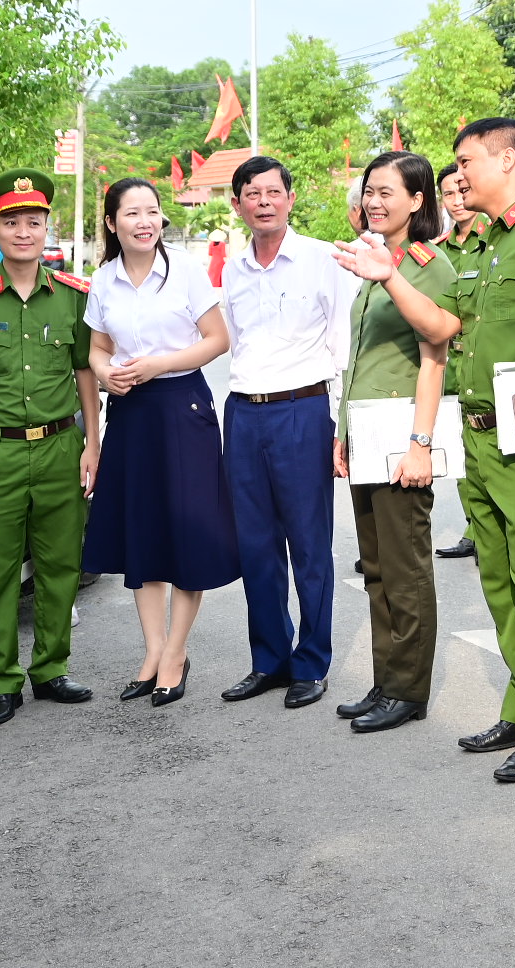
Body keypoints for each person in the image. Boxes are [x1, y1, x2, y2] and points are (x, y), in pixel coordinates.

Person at [336, 117, 515, 784]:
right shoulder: (478, 245)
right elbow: (442, 328)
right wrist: (388, 276)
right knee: (503, 585)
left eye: (467, 162)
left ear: (509, 162)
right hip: (480, 437)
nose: (457, 175)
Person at [0, 171, 101, 727]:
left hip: (61, 447)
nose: (24, 232)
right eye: (12, 222)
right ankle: (1, 680)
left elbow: (85, 375)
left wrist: (92, 446)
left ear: (45, 228)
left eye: (33, 222)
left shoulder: (74, 298)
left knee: (61, 565)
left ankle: (51, 669)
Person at [81, 178, 237, 708]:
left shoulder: (187, 273)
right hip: (131, 412)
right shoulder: (102, 281)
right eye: (132, 213)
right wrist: (107, 374)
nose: (145, 221)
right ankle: (151, 653)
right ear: (111, 223)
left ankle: (176, 652)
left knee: (186, 534)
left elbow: (218, 340)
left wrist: (157, 364)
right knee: (142, 535)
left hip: (182, 407)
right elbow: (97, 350)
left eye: (152, 211)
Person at [218, 155, 357, 709]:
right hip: (244, 413)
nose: (265, 202)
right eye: (253, 194)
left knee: (308, 545)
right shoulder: (233, 267)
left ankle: (311, 662)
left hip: (303, 412)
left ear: (291, 199)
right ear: (238, 204)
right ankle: (269, 660)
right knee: (255, 545)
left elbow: (343, 345)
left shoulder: (324, 260)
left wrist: (338, 425)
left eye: (274, 192)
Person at [330, 152, 455, 733]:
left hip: (404, 441)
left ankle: (408, 690)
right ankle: (387, 681)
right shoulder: (373, 261)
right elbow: (360, 363)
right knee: (377, 566)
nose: (374, 201)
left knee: (406, 569)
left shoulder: (427, 266)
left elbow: (436, 345)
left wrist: (420, 445)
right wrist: (342, 436)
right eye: (369, 191)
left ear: (417, 201)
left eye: (387, 192)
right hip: (366, 439)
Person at [433, 160, 489, 562]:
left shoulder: (495, 241)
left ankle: (487, 529)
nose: (457, 201)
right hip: (449, 370)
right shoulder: (438, 251)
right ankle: (475, 527)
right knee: (460, 453)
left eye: (461, 190)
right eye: (448, 194)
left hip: (484, 368)